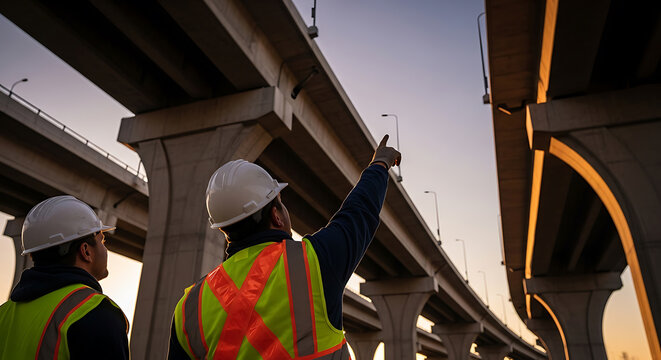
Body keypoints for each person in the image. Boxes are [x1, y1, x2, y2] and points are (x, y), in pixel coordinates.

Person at [168, 135, 400, 359]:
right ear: (276, 216)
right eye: (281, 203)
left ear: (223, 228)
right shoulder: (312, 263)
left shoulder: (189, 307)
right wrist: (380, 162)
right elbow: (358, 212)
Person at [0, 195, 130, 360]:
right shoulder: (96, 313)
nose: (105, 249)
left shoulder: (4, 314)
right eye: (102, 240)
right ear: (86, 251)